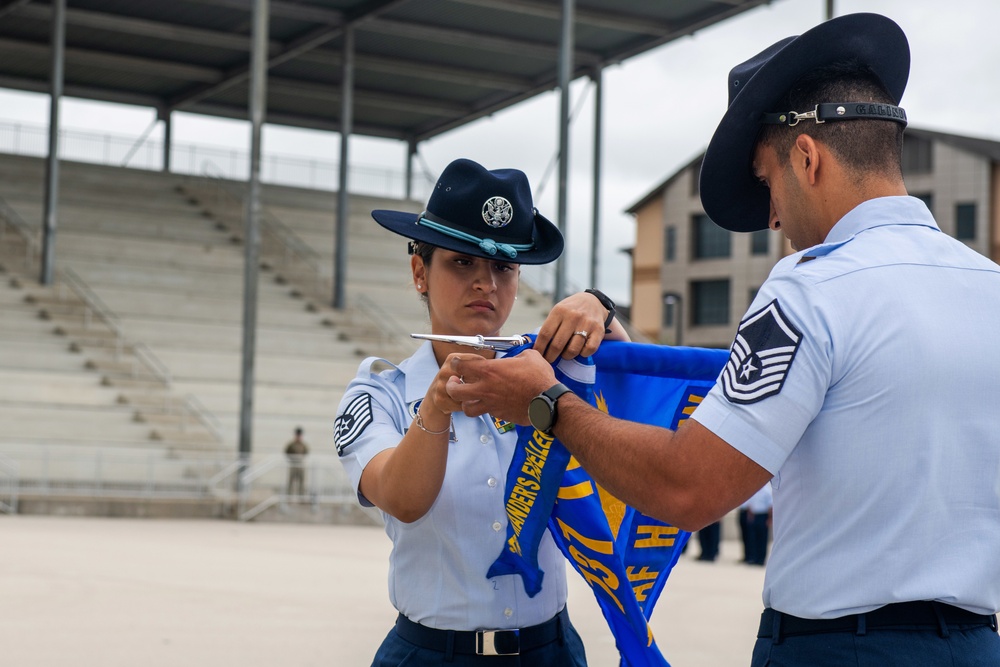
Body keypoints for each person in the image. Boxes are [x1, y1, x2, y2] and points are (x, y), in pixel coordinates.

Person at [445, 13, 1000, 666]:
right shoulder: (987, 287)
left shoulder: (812, 289)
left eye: (766, 183)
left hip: (837, 650)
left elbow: (689, 489)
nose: (771, 217)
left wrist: (549, 405)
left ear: (807, 158)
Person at [334, 158, 628, 666]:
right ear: (419, 271)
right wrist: (438, 404)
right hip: (433, 655)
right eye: (462, 262)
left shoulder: (555, 374)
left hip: (551, 651)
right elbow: (402, 500)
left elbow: (636, 421)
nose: (486, 284)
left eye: (503, 267)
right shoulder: (380, 391)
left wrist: (602, 313)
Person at [743, 482, 772, 567]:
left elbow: (770, 506)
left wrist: (770, 519)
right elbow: (750, 505)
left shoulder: (767, 491)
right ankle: (754, 558)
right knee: (753, 538)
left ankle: (761, 559)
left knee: (762, 539)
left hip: (763, 516)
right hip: (754, 516)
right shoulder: (753, 491)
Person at [284, 427, 309, 497]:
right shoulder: (291, 444)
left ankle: (301, 496)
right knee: (291, 481)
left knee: (301, 481)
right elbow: (287, 452)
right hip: (293, 464)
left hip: (300, 465)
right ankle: (288, 496)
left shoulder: (303, 445)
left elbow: (306, 452)